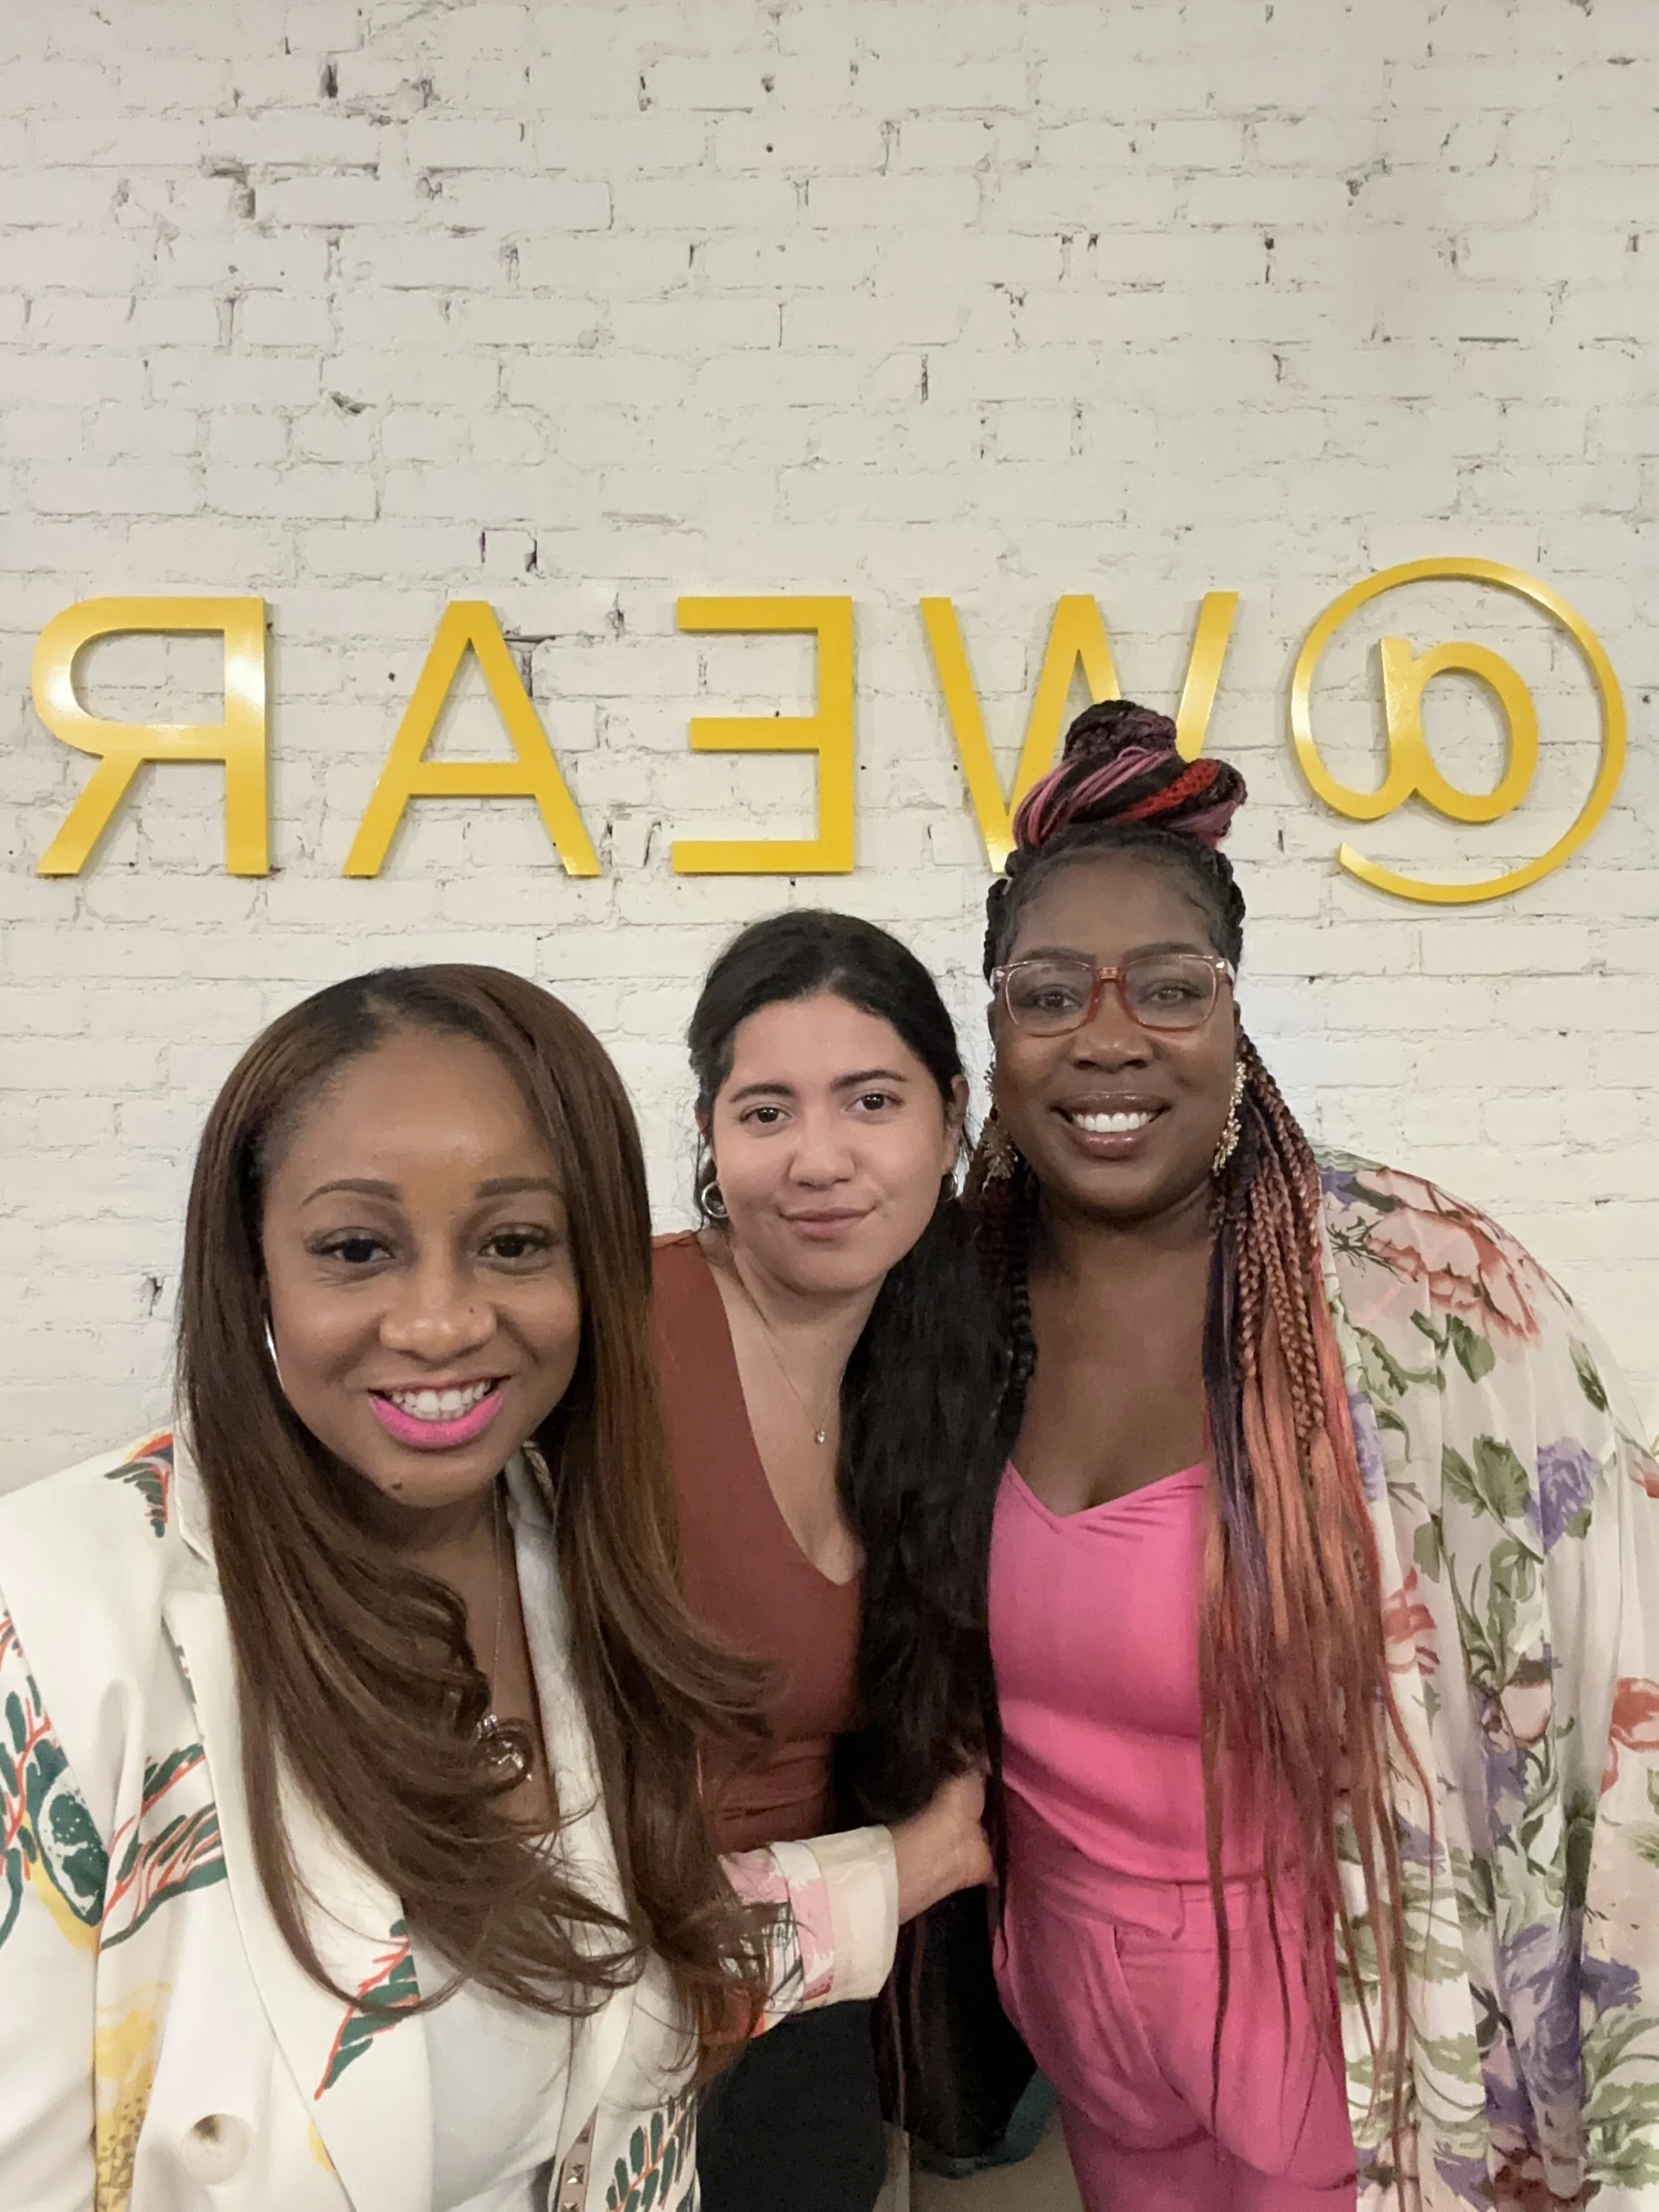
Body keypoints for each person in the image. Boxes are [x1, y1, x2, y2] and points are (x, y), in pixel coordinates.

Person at [0, 964, 989, 2212]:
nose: (437, 1323)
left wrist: (890, 1876)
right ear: (252, 1269)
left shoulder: (572, 1553)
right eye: (356, 1249)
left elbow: (615, 1975)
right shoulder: (53, 1622)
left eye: (514, 1243)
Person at [968, 704, 1659, 2212]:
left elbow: (1612, 1610)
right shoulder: (944, 1308)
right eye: (1044, 992)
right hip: (1073, 2002)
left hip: (1341, 2017)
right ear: (993, 1023)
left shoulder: (1414, 1293)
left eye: (1165, 988)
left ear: (1230, 1014)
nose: (1105, 1038)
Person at [654, 912, 1010, 2212]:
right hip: (604, 2035)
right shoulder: (620, 1337)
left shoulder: (925, 1368)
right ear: (707, 1132)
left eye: (869, 1099)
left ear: (949, 1113)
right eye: (764, 1111)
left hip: (805, 2031)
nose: (819, 1159)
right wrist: (901, 1869)